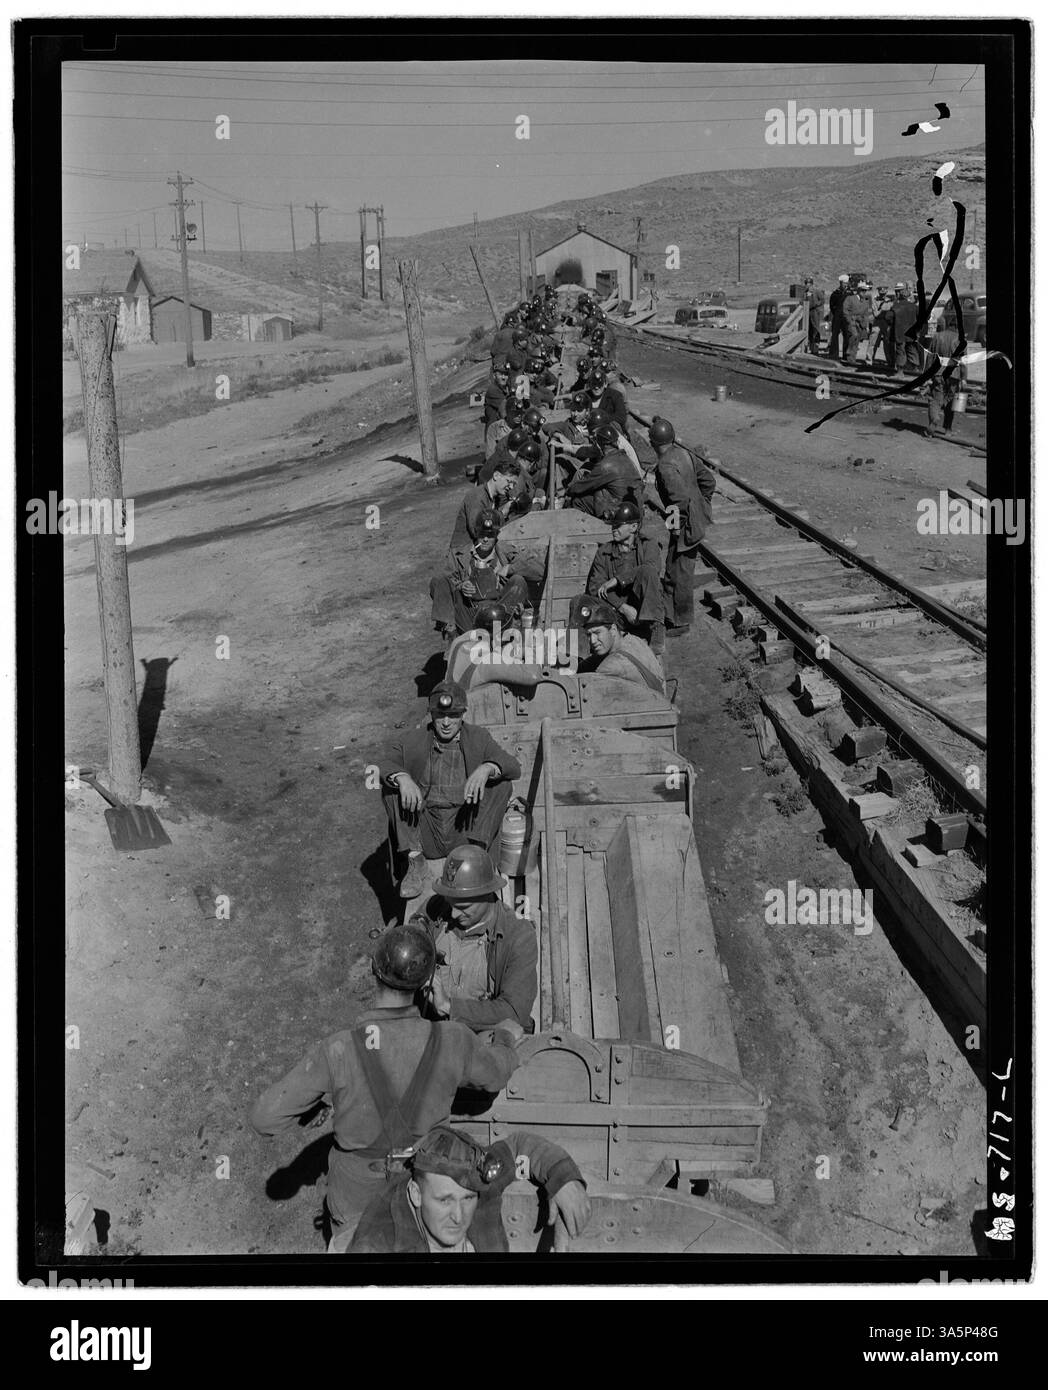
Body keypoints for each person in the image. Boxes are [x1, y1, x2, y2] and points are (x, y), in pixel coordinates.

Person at [251, 923, 523, 1248]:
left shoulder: (339, 1049)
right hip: (426, 1190)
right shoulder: (452, 1040)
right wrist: (505, 1037)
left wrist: (322, 1098)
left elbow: (264, 1119)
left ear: (373, 971)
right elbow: (496, 1074)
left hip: (357, 1202)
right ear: (427, 983)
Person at [344, 1124, 590, 1254]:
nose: (459, 1216)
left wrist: (563, 1178)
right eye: (444, 1201)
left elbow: (518, 1147)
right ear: (415, 1194)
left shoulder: (478, 1178)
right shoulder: (377, 1244)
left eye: (468, 1198)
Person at [382, 680, 521, 901]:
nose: (446, 722)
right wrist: (403, 778)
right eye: (439, 715)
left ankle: (477, 857)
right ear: (431, 714)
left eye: (453, 715)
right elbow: (385, 763)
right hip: (427, 831)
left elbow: (513, 766)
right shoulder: (413, 739)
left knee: (502, 783)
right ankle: (416, 863)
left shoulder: (478, 737)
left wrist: (487, 768)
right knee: (392, 786)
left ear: (463, 714)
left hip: (463, 830)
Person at [419, 843, 538, 1031]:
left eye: (464, 908)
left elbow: (514, 1012)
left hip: (485, 1036)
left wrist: (448, 1006)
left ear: (487, 894)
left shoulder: (519, 936)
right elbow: (415, 928)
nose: (454, 914)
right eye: (450, 903)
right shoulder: (436, 908)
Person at [645, 416, 708, 636]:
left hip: (684, 525)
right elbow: (708, 481)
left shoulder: (665, 466)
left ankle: (680, 622)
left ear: (653, 443)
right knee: (677, 568)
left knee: (679, 573)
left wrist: (675, 525)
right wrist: (701, 505)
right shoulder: (684, 453)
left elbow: (679, 499)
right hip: (693, 520)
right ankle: (674, 616)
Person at [429, 514, 538, 638]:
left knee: (518, 580)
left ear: (497, 535)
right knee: (439, 581)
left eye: (490, 535)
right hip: (469, 614)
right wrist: (461, 585)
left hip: (500, 612)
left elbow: (538, 569)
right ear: (476, 533)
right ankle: (453, 637)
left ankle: (498, 634)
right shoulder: (460, 555)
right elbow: (443, 581)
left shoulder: (505, 551)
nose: (485, 539)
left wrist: (509, 568)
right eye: (482, 534)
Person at [585, 499, 665, 650]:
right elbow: (595, 587)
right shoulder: (604, 551)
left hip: (645, 609)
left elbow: (651, 569)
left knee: (648, 572)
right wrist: (623, 607)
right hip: (617, 612)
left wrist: (617, 580)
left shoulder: (648, 545)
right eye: (612, 526)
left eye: (618, 525)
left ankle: (655, 631)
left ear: (634, 527)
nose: (614, 529)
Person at [578, 600, 667, 695]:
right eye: (588, 635)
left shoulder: (609, 668)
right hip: (661, 700)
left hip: (647, 706)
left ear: (613, 630)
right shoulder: (633, 639)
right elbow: (594, 660)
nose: (592, 640)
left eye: (597, 633)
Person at [447, 461, 521, 560]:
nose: (511, 487)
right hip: (462, 553)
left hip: (478, 547)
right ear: (496, 475)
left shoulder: (496, 497)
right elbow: (478, 531)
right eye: (509, 481)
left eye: (514, 484)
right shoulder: (477, 497)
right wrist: (502, 513)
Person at [925, 323, 968, 438]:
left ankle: (933, 423)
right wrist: (963, 378)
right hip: (954, 374)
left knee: (935, 400)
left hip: (939, 373)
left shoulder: (937, 336)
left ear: (947, 326)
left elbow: (930, 356)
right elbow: (963, 361)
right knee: (950, 403)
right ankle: (948, 430)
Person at [890, 288, 922, 374]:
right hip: (911, 333)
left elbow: (888, 317)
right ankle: (915, 369)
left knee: (900, 351)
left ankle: (900, 371)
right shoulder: (915, 307)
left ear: (900, 296)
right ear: (909, 297)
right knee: (912, 349)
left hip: (899, 333)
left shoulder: (895, 307)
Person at [840, 282, 869, 366]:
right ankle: (848, 352)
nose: (864, 292)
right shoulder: (850, 298)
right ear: (858, 290)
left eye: (865, 290)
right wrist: (849, 320)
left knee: (857, 341)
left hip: (860, 324)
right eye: (862, 290)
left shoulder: (865, 302)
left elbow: (866, 315)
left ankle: (852, 359)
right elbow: (845, 310)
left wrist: (865, 325)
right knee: (854, 335)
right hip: (851, 322)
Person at [827, 274, 850, 359]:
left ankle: (846, 355)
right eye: (844, 283)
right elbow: (832, 305)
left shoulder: (850, 293)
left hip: (846, 316)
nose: (845, 285)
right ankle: (833, 355)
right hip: (837, 316)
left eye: (846, 283)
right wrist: (837, 313)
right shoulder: (835, 293)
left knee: (847, 335)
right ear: (840, 283)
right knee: (835, 335)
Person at [803, 277, 825, 353]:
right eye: (805, 284)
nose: (806, 285)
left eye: (808, 284)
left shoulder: (816, 291)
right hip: (808, 312)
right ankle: (811, 346)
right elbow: (804, 301)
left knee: (816, 329)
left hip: (815, 312)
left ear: (811, 284)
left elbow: (822, 300)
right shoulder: (805, 292)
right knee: (809, 330)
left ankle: (816, 346)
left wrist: (816, 304)